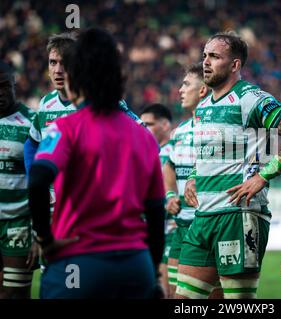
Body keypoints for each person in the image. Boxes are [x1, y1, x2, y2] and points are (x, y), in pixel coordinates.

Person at [28, 27, 165, 299]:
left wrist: (44, 238)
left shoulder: (63, 128)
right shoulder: (144, 137)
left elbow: (38, 179)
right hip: (134, 266)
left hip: (77, 262)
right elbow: (156, 213)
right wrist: (151, 271)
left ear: (74, 79)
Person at [176, 32, 281, 299]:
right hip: (203, 217)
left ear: (235, 65)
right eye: (205, 56)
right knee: (182, 300)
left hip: (238, 217)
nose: (206, 62)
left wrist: (263, 176)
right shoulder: (204, 105)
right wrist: (194, 176)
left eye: (215, 57)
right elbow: (207, 153)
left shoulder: (250, 98)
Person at [24, 32, 143, 176]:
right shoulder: (45, 103)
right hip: (55, 197)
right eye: (53, 62)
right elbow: (32, 143)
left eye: (65, 63)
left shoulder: (103, 101)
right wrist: (33, 180)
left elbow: (147, 140)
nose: (58, 71)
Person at [164, 62, 222, 298]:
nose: (180, 90)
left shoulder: (219, 127)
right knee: (173, 295)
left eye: (186, 84)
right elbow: (169, 164)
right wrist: (169, 195)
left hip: (207, 226)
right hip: (181, 226)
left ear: (202, 91)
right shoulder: (180, 131)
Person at [0, 62, 37, 298]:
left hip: (18, 223)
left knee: (13, 293)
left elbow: (44, 180)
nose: (0, 92)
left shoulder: (32, 123)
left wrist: (39, 230)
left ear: (15, 85)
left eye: (4, 86)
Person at [140, 103, 174, 298]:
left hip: (171, 228)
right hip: (149, 229)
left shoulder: (175, 151)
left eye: (148, 124)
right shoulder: (144, 152)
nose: (142, 129)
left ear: (165, 125)